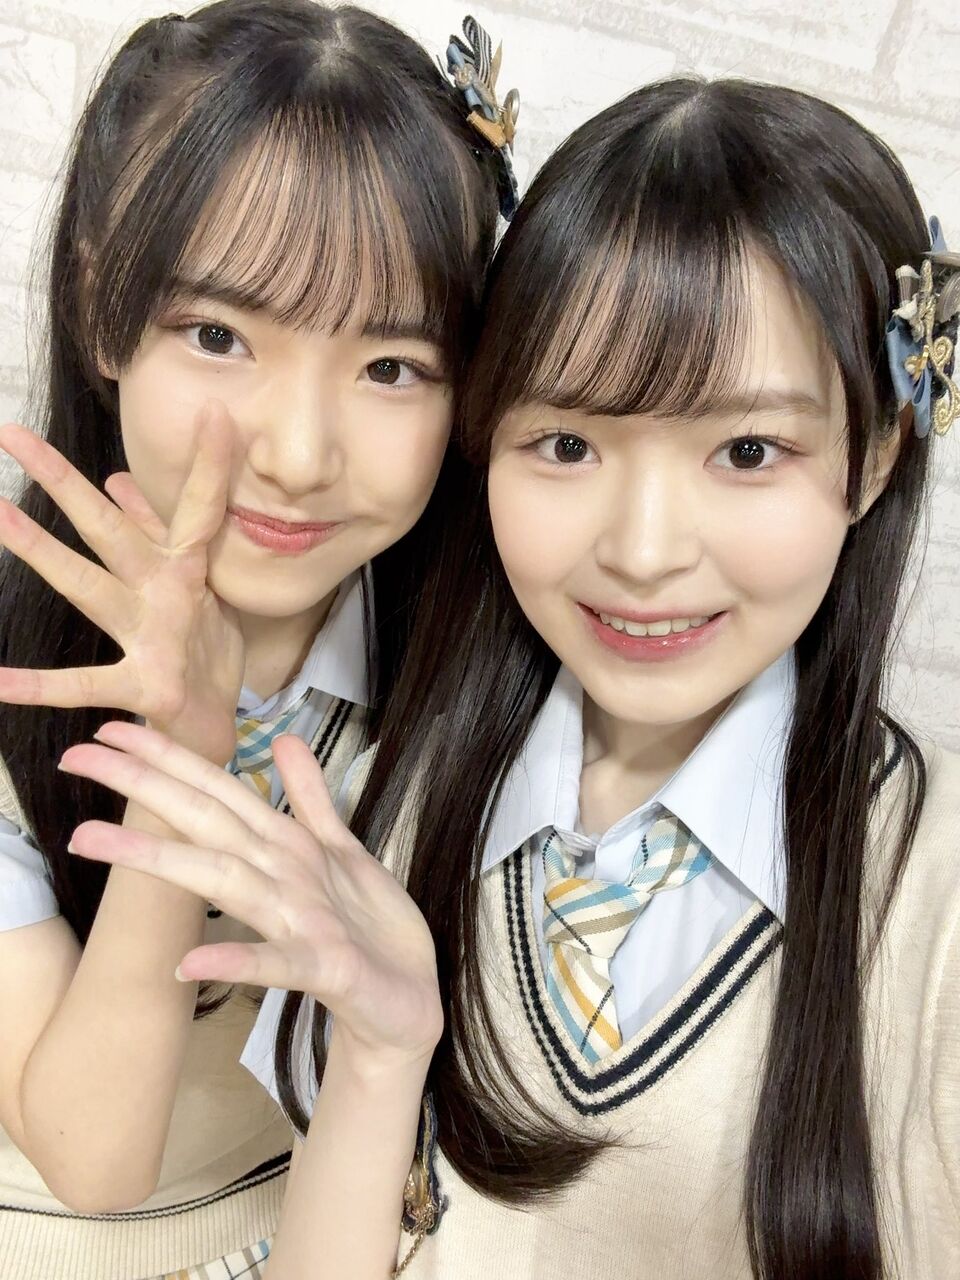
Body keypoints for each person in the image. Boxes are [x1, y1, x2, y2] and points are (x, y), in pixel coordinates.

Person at [59, 77, 960, 1280]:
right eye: (568, 443)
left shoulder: (932, 904)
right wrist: (382, 1054)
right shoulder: (389, 800)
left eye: (748, 450)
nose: (643, 550)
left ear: (878, 451)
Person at [0, 3, 513, 1277]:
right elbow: (93, 1157)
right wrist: (183, 744)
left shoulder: (474, 650)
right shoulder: (12, 658)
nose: (296, 453)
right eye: (220, 335)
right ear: (102, 306)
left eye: (391, 365)